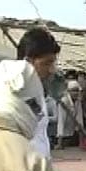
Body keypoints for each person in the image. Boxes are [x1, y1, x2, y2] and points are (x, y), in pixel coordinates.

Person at [17, 27, 61, 158]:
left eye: (53, 63)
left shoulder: (37, 96)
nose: (52, 70)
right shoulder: (11, 100)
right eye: (47, 63)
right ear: (28, 62)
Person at [57, 79, 82, 149]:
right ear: (69, 92)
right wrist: (59, 143)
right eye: (73, 91)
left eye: (77, 91)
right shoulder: (64, 102)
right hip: (63, 135)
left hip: (73, 133)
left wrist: (81, 141)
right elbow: (61, 121)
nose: (75, 93)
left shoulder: (78, 101)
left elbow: (79, 120)